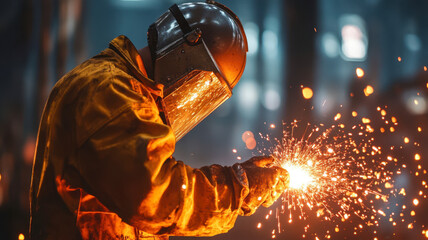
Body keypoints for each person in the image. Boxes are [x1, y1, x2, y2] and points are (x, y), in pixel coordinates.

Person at [29, 1, 289, 240]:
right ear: (186, 49)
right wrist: (235, 188)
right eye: (200, 84)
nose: (194, 95)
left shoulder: (132, 93)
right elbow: (155, 196)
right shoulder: (108, 90)